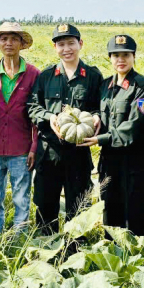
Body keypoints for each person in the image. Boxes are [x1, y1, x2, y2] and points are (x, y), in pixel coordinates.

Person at [27, 23, 103, 235]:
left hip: (78, 152)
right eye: (61, 44)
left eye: (71, 43)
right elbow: (32, 107)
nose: (66, 48)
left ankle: (74, 252)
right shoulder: (46, 76)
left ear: (80, 44)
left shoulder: (93, 76)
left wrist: (97, 116)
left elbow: (101, 106)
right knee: (45, 204)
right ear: (55, 48)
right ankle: (47, 250)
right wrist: (49, 117)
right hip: (49, 151)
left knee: (78, 207)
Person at [79, 34, 144, 236]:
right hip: (109, 160)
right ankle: (112, 257)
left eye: (126, 55)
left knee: (135, 213)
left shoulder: (142, 86)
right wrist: (94, 118)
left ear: (134, 57)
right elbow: (96, 110)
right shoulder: (105, 86)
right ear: (110, 58)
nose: (121, 60)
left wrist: (100, 139)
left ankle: (136, 259)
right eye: (116, 55)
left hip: (135, 161)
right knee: (110, 211)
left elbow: (135, 125)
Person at [0, 22, 40, 236]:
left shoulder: (33, 74)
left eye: (14, 38)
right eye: (4, 38)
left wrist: (34, 147)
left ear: (22, 44)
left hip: (21, 149)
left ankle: (19, 237)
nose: (9, 43)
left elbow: (36, 114)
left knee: (21, 198)